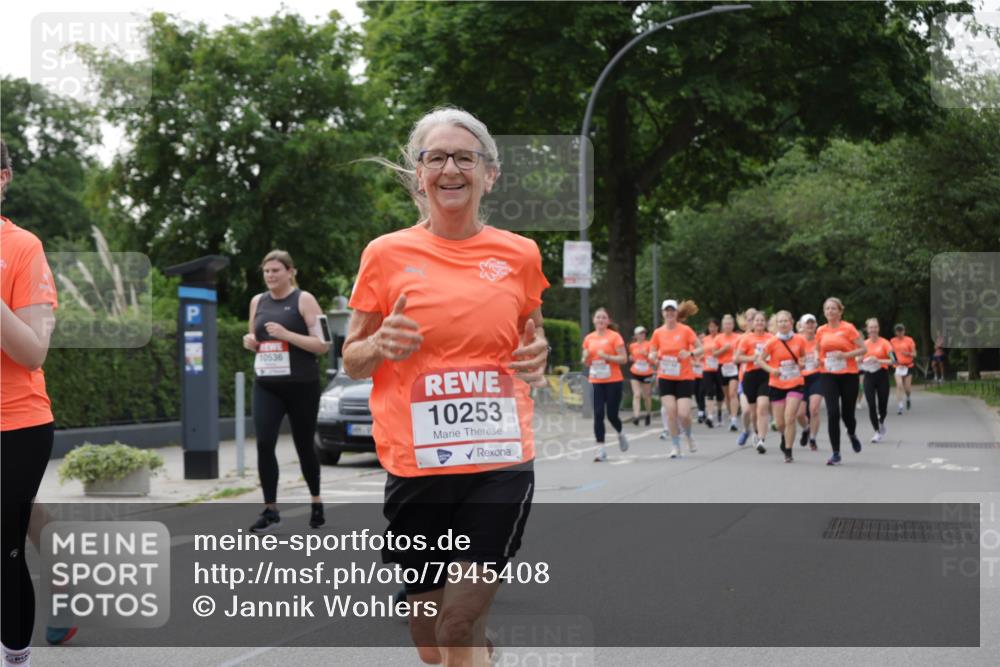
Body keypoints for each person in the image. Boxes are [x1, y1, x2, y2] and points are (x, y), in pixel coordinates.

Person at [342, 107, 549, 666]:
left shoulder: (520, 255)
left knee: (456, 624)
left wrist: (539, 354)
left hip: (499, 459)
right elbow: (352, 358)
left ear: (490, 173)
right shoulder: (384, 255)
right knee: (433, 643)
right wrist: (380, 343)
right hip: (417, 467)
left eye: (464, 157)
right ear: (418, 174)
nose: (450, 168)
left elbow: (533, 338)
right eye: (436, 157)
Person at [1, 138, 59, 667]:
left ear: (3, 178)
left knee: (5, 544)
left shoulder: (22, 248)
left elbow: (33, 349)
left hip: (16, 420)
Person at [243, 250, 330, 532]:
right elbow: (255, 337)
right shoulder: (257, 301)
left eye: (276, 271)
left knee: (304, 445)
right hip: (267, 384)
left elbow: (323, 344)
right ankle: (270, 508)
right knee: (264, 443)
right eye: (266, 271)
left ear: (290, 272)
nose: (270, 276)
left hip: (302, 386)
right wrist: (251, 342)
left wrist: (287, 335)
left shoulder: (304, 300)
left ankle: (316, 501)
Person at [816, 297, 866, 466]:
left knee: (847, 414)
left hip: (848, 374)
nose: (830, 311)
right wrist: (817, 359)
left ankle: (851, 433)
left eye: (833, 308)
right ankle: (836, 453)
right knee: (833, 413)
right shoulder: (821, 330)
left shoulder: (848, 328)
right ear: (824, 312)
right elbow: (818, 350)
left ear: (840, 311)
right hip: (828, 374)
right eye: (827, 308)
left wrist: (845, 355)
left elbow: (863, 349)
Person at [650, 299, 702, 458]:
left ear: (676, 313)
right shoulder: (658, 333)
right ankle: (675, 445)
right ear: (663, 313)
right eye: (667, 310)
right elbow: (652, 352)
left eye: (672, 310)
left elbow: (701, 348)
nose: (670, 313)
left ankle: (688, 435)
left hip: (684, 377)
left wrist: (690, 353)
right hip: (665, 376)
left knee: (684, 414)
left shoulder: (685, 330)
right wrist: (653, 357)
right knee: (671, 412)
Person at [756, 311, 807, 463]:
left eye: (786, 321)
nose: (783, 324)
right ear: (776, 324)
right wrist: (772, 370)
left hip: (795, 382)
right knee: (780, 423)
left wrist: (802, 362)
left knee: (790, 417)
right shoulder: (772, 342)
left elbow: (802, 356)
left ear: (791, 322)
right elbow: (760, 360)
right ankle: (784, 436)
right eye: (780, 321)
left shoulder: (799, 340)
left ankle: (789, 451)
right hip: (777, 384)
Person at [582, 308, 630, 462]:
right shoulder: (589, 338)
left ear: (608, 321)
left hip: (613, 380)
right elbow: (586, 359)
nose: (601, 320)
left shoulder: (614, 337)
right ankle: (600, 448)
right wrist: (586, 360)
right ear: (594, 320)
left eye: (604, 318)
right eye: (598, 317)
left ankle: (620, 432)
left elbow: (624, 359)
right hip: (596, 380)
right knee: (598, 414)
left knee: (612, 414)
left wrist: (607, 357)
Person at [734, 311, 774, 454]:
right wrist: (753, 358)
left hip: (765, 375)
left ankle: (762, 440)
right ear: (752, 323)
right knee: (753, 412)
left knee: (763, 407)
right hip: (750, 376)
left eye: (762, 320)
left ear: (766, 323)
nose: (759, 323)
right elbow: (736, 358)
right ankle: (756, 432)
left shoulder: (771, 338)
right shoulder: (746, 339)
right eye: (757, 320)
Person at [861, 318, 894, 443]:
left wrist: (878, 360)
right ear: (867, 329)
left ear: (878, 328)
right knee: (871, 405)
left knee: (883, 405)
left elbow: (894, 360)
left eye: (875, 327)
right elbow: (857, 359)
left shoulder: (885, 343)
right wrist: (860, 359)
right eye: (871, 327)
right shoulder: (864, 344)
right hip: (869, 375)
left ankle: (881, 421)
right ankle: (877, 431)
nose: (873, 330)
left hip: (882, 375)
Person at [796, 314, 822, 451]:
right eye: (807, 323)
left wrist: (820, 361)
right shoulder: (796, 340)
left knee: (814, 409)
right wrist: (799, 363)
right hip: (800, 379)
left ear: (816, 325)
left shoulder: (821, 339)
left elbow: (827, 357)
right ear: (802, 326)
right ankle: (806, 429)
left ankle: (812, 438)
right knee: (799, 414)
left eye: (812, 323)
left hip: (817, 376)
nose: (810, 326)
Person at [713, 314, 742, 432]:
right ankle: (731, 416)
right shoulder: (718, 338)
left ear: (733, 325)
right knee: (727, 395)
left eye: (730, 324)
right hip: (723, 367)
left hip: (734, 366)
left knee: (733, 393)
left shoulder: (738, 337)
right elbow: (714, 354)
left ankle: (734, 419)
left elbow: (742, 351)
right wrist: (723, 349)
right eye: (725, 324)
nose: (728, 326)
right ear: (722, 326)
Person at [699, 318, 724, 428]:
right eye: (710, 327)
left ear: (718, 327)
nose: (712, 329)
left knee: (719, 392)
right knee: (709, 392)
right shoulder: (705, 339)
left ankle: (719, 413)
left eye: (714, 326)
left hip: (719, 367)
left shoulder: (721, 337)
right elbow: (701, 352)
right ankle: (710, 416)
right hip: (707, 368)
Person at [628, 325, 654, 426]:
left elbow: (653, 359)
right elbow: (632, 356)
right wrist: (631, 358)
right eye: (640, 333)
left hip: (647, 372)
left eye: (644, 333)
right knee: (637, 394)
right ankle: (636, 416)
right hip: (635, 371)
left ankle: (648, 414)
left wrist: (647, 355)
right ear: (635, 335)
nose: (643, 335)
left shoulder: (650, 344)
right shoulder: (632, 346)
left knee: (646, 396)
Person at [890, 323, 917, 413]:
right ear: (895, 332)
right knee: (899, 385)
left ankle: (908, 397)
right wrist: (894, 361)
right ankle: (900, 406)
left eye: (901, 331)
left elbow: (914, 354)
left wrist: (908, 354)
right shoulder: (892, 341)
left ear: (904, 331)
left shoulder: (909, 340)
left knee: (907, 388)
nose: (900, 332)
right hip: (897, 366)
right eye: (898, 331)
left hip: (908, 366)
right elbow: (891, 353)